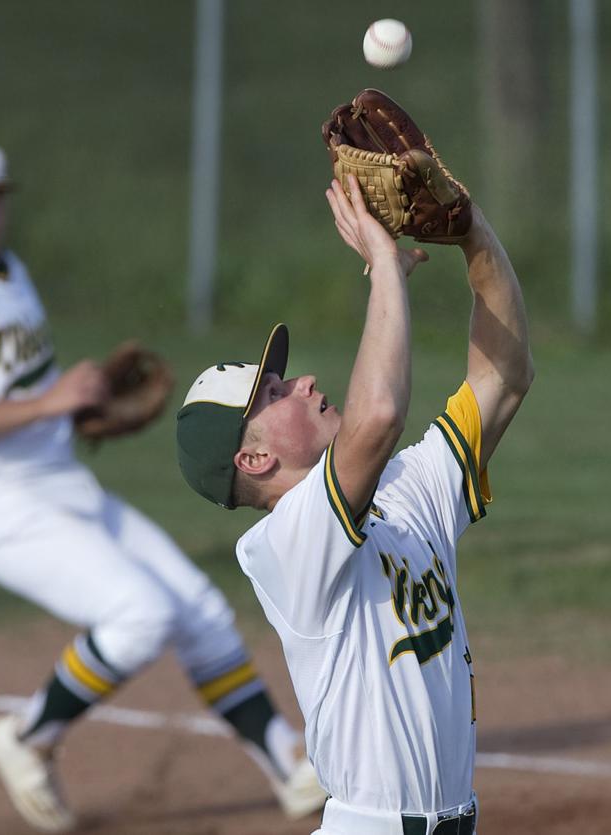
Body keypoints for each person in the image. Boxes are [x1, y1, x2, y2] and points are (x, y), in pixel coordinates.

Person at [0, 137, 326, 832]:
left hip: (61, 480)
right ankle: (29, 735)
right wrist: (49, 404)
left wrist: (76, 410)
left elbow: (27, 392)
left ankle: (289, 765)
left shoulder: (9, 271)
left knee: (201, 608)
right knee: (140, 615)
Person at [175, 175, 534, 835]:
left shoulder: (408, 487)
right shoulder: (284, 543)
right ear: (252, 460)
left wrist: (474, 234)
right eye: (274, 394)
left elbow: (505, 376)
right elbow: (379, 415)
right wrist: (383, 267)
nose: (302, 380)